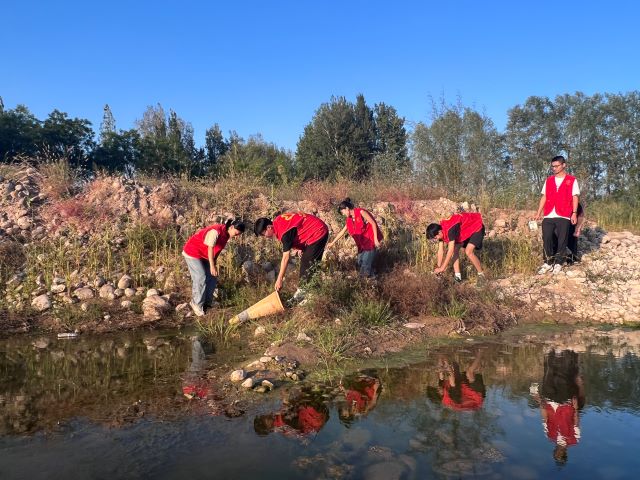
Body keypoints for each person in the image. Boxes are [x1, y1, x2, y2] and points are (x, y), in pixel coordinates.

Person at [254, 212, 329, 303]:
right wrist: (301, 246)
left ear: (269, 227)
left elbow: (285, 258)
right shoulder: (278, 221)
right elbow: (296, 228)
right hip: (315, 228)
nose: (265, 237)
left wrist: (279, 279)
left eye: (263, 233)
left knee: (306, 263)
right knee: (311, 264)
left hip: (318, 231)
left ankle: (302, 296)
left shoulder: (283, 232)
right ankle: (315, 293)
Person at [530, 349, 585, 465]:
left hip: (550, 402)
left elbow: (545, 418)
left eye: (556, 453)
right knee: (562, 378)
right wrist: (575, 408)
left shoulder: (550, 435)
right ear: (565, 453)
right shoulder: (574, 439)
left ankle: (552, 351)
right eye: (559, 454)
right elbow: (575, 422)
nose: (557, 452)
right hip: (565, 403)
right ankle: (566, 351)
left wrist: (539, 401)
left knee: (548, 374)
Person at [182, 218, 245, 316]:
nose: (236, 237)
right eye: (236, 234)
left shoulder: (227, 234)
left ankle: (207, 303)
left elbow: (216, 251)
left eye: (239, 235)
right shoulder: (216, 232)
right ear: (231, 227)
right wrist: (212, 266)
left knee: (212, 277)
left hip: (205, 255)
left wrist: (213, 266)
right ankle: (196, 304)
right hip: (193, 252)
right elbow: (210, 248)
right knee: (200, 276)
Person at [534, 155, 581, 275]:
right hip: (549, 213)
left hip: (564, 213)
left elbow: (575, 197)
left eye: (556, 166)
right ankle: (548, 262)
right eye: (552, 166)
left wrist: (574, 213)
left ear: (563, 165)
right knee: (547, 238)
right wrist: (539, 212)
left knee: (562, 240)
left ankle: (559, 263)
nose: (554, 168)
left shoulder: (571, 180)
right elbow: (544, 196)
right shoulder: (548, 180)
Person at [326, 198, 383, 277]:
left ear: (347, 209)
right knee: (360, 262)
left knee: (365, 264)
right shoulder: (349, 219)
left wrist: (376, 239)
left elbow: (373, 223)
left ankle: (367, 282)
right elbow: (342, 232)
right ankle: (373, 274)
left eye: (343, 212)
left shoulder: (361, 212)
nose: (343, 215)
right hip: (362, 244)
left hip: (370, 241)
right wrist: (332, 243)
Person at [426, 212, 486, 285]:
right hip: (464, 231)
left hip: (476, 227)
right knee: (455, 250)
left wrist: (442, 268)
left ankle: (481, 275)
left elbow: (450, 251)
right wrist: (438, 268)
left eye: (435, 237)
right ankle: (458, 278)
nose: (436, 239)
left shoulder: (450, 230)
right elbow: (440, 251)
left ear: (439, 232)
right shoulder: (441, 232)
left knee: (468, 251)